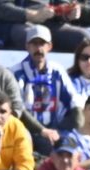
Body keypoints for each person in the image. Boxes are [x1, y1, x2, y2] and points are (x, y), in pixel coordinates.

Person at [14, 25, 75, 153]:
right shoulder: (16, 73)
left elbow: (75, 102)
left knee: (72, 148)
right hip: (27, 130)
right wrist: (42, 130)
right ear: (27, 46)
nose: (38, 48)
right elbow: (17, 108)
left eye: (42, 43)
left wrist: (60, 130)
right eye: (34, 44)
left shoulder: (57, 71)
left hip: (55, 129)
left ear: (50, 46)